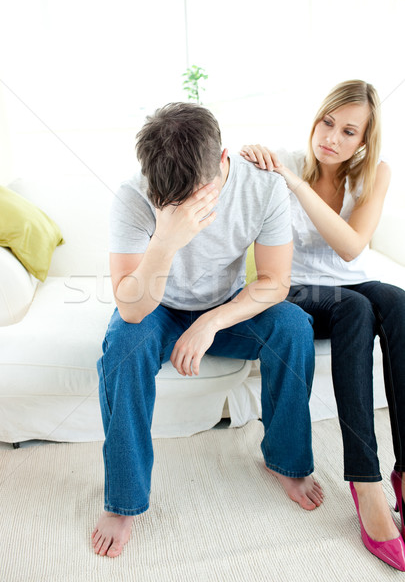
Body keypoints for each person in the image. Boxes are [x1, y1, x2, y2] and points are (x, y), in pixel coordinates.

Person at [92, 102, 323, 558]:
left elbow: (274, 282)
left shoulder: (263, 186)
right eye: (171, 200)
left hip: (225, 308)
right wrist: (167, 238)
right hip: (155, 307)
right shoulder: (132, 195)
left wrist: (210, 323)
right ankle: (124, 500)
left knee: (294, 327)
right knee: (123, 347)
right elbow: (133, 307)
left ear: (223, 161)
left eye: (196, 195)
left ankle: (286, 461)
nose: (185, 207)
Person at [240, 79, 405, 571]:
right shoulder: (284, 161)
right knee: (355, 310)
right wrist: (278, 173)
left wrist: (299, 186)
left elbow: (353, 248)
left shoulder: (374, 173)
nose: (330, 137)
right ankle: (366, 483)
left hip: (349, 281)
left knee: (397, 302)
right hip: (295, 288)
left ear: (364, 141)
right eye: (327, 122)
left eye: (348, 131)